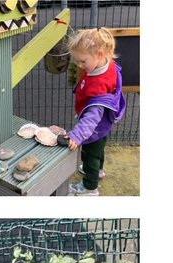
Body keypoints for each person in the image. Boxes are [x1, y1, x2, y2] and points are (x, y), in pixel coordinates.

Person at [65, 28, 126, 197]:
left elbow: (92, 119)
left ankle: (90, 188)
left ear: (99, 53)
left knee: (90, 154)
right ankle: (98, 170)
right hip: (105, 124)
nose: (79, 65)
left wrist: (77, 136)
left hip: (96, 126)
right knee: (100, 149)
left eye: (83, 61)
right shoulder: (108, 63)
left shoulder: (98, 86)